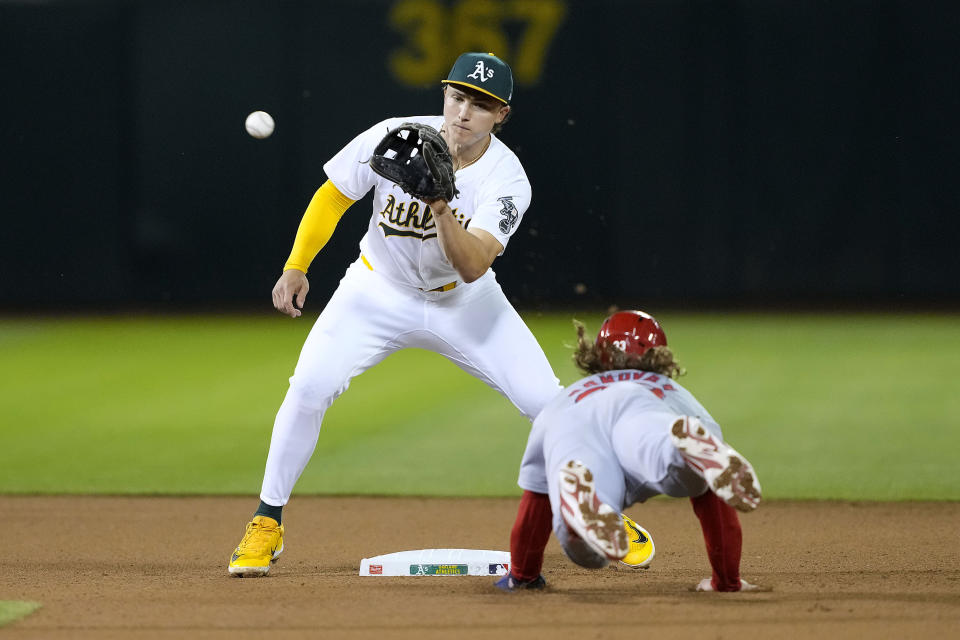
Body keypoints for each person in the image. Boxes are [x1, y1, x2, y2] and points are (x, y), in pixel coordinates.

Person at [228, 52, 562, 577]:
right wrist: (297, 265)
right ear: (444, 96)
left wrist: (439, 204)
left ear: (501, 116)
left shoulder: (507, 178)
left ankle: (598, 511)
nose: (463, 112)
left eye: (481, 105)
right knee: (309, 387)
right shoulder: (397, 136)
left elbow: (473, 265)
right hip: (376, 289)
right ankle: (267, 520)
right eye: (457, 97)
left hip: (464, 302)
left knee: (551, 405)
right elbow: (334, 196)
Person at [495, 310, 764, 592]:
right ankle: (677, 452)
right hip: (645, 405)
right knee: (668, 454)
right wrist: (726, 581)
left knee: (586, 519)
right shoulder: (670, 389)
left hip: (576, 419)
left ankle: (581, 517)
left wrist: (523, 574)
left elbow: (536, 500)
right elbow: (713, 493)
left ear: (598, 353)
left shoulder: (564, 400)